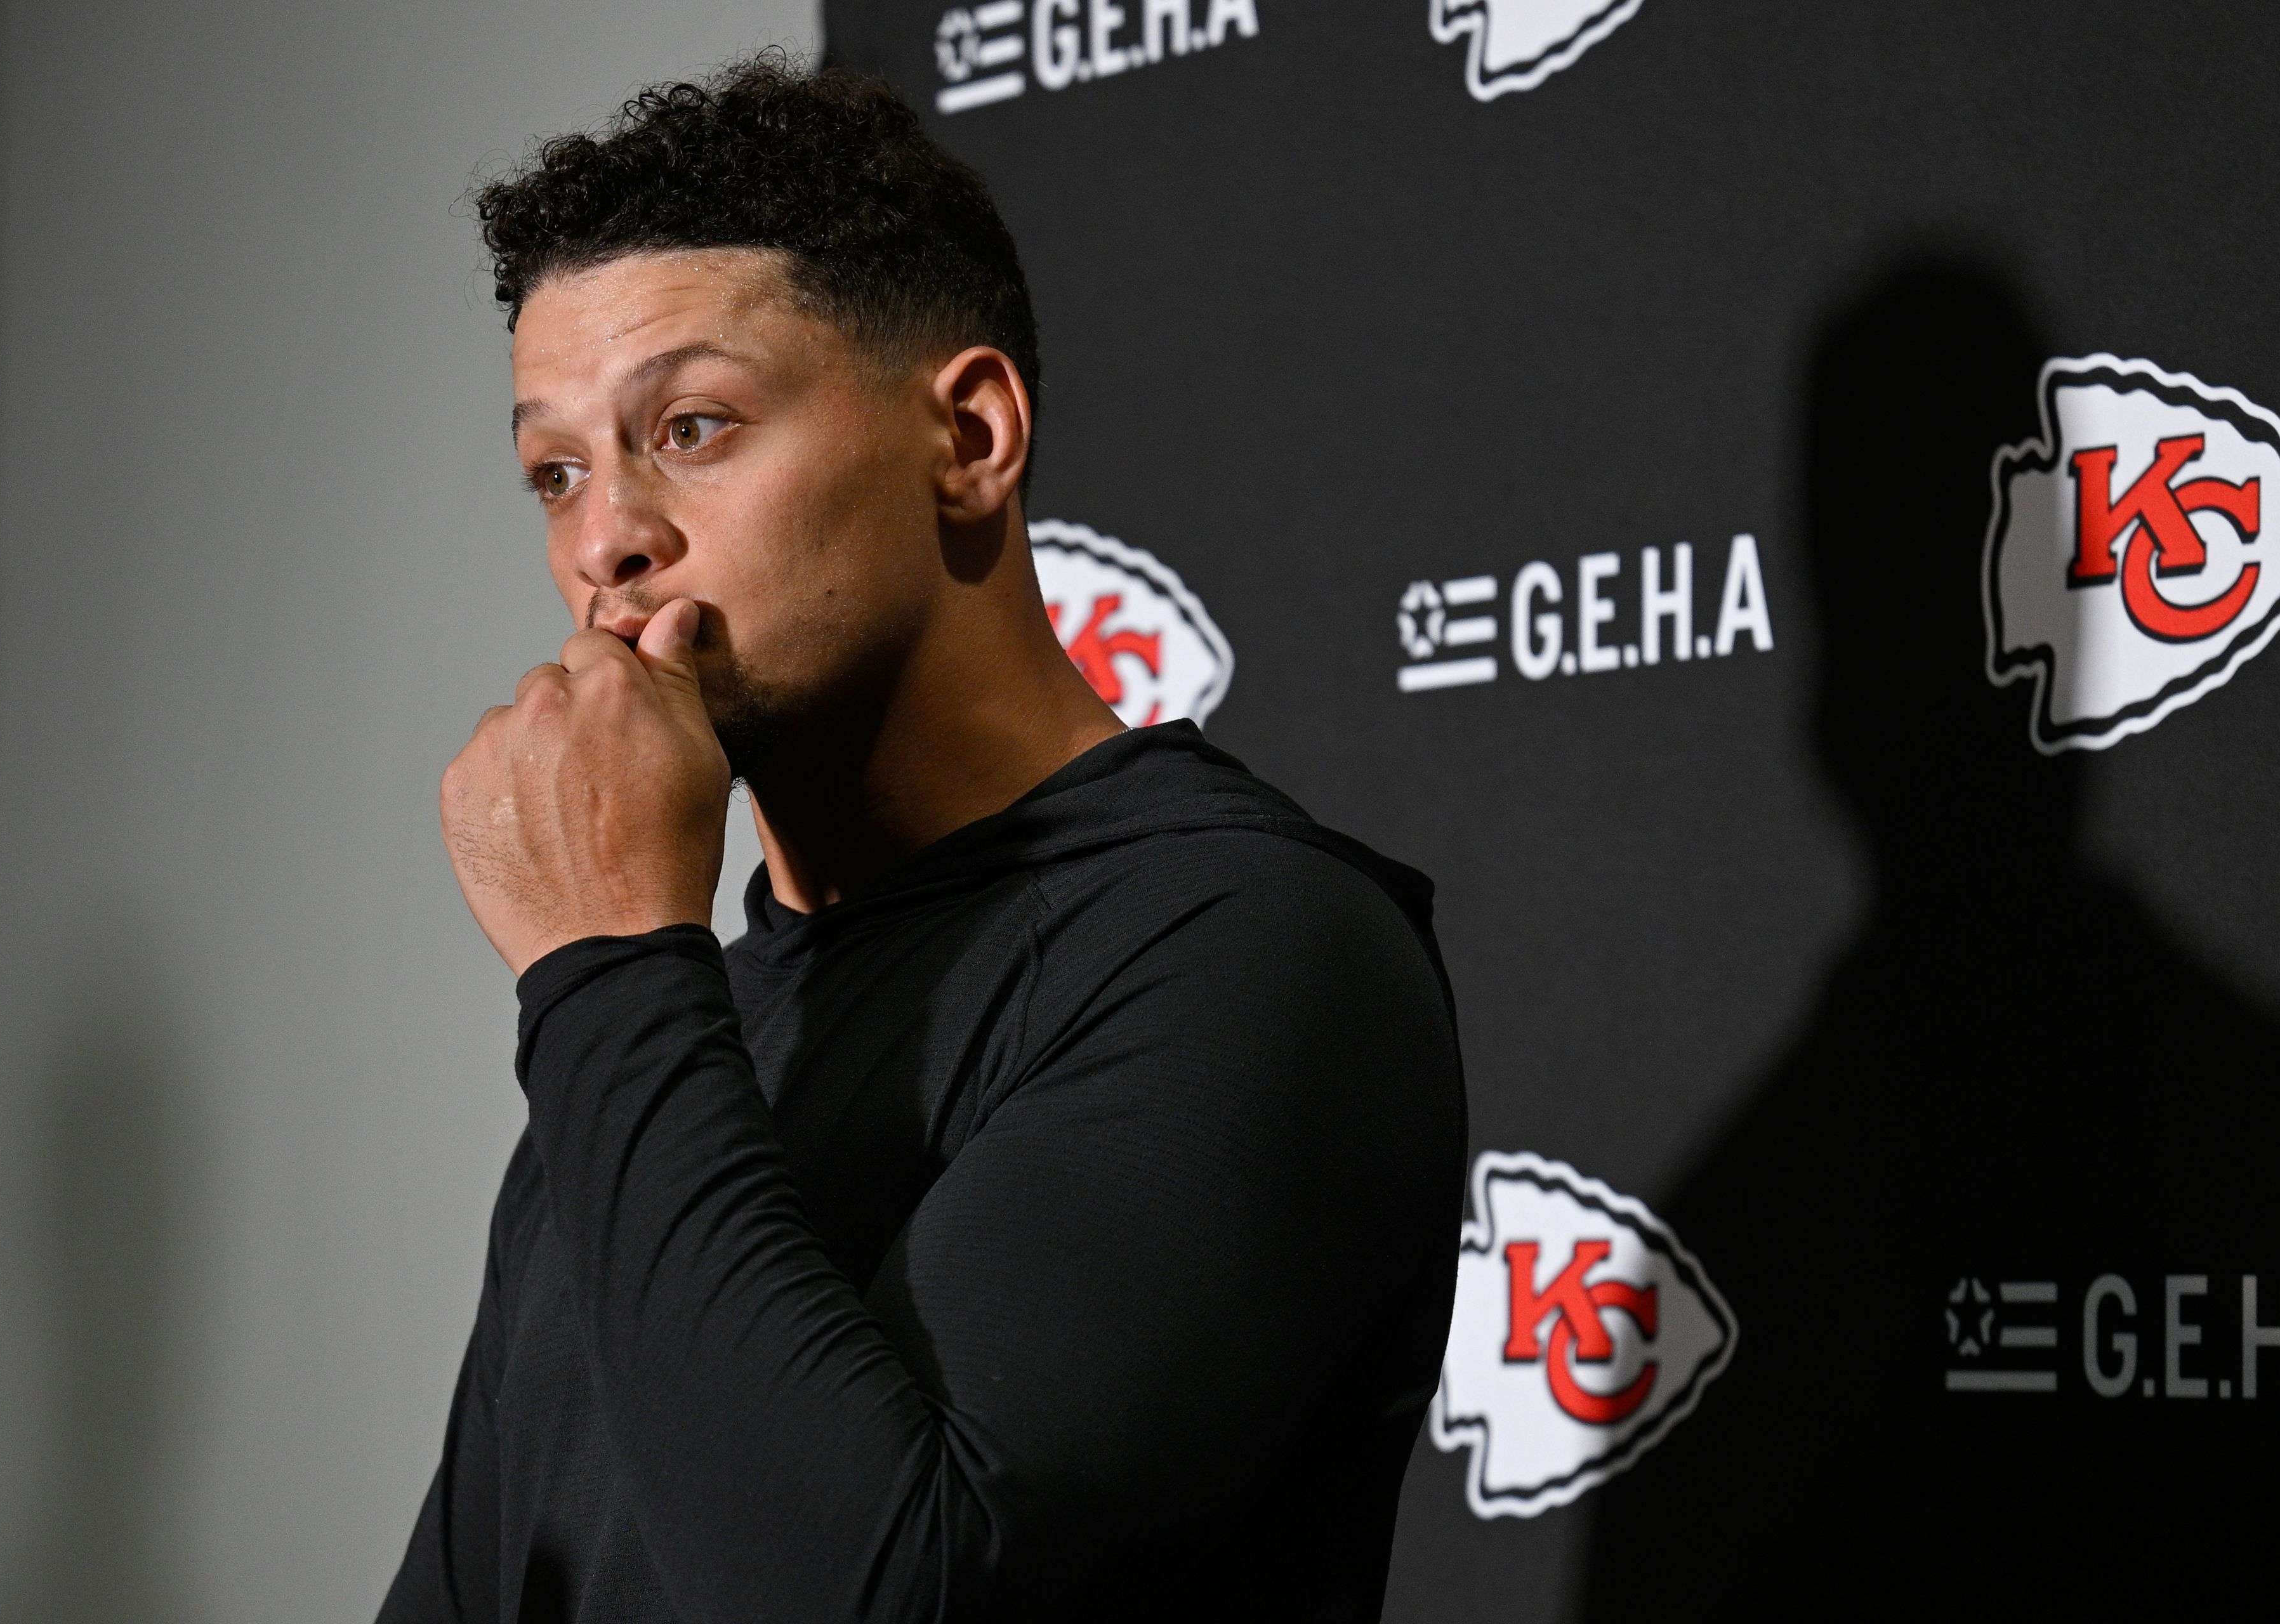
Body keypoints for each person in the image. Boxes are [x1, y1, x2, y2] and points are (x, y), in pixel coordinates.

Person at [378, 51, 1468, 1624]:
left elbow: (875, 1589)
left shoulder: (1246, 945)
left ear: (967, 439)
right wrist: (618, 982)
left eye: (690, 425)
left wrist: (608, 962)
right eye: (557, 469)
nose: (605, 537)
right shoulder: (660, 1021)